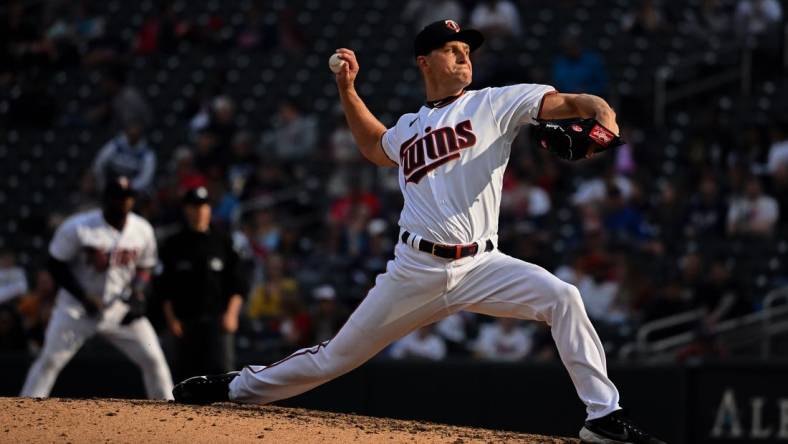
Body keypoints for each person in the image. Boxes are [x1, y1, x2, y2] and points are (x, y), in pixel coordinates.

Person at [173, 20, 664, 444]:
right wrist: (347, 91)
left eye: (468, 51)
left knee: (563, 297)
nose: (464, 57)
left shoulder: (497, 102)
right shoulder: (408, 128)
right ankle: (235, 388)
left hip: (482, 264)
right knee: (334, 359)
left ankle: (604, 418)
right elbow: (373, 146)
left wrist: (604, 122)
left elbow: (581, 102)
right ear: (424, 61)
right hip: (415, 269)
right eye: (453, 51)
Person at [20, 176, 173, 399]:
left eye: (128, 197)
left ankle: (170, 413)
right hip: (76, 309)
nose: (124, 202)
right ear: (106, 198)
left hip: (118, 308)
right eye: (118, 197)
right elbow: (55, 264)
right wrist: (83, 297)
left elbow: (145, 267)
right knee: (50, 361)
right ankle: (23, 410)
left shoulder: (142, 229)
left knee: (153, 359)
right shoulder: (79, 227)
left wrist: (139, 291)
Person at [158, 186, 247, 381]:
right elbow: (164, 288)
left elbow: (238, 282)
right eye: (194, 206)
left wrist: (232, 314)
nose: (199, 211)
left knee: (223, 375)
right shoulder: (174, 243)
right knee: (181, 376)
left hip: (218, 320)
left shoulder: (224, 241)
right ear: (186, 210)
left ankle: (225, 413)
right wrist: (171, 320)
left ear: (209, 209)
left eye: (203, 206)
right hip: (184, 322)